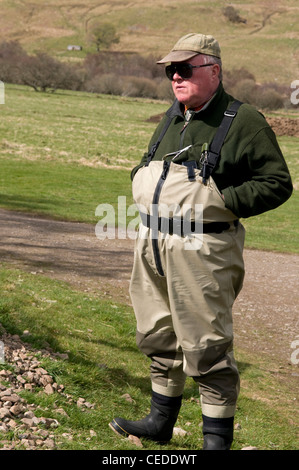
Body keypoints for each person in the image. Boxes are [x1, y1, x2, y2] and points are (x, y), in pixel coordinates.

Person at [109, 33, 293, 450]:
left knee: (207, 348)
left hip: (202, 251)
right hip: (152, 245)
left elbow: (277, 183)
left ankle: (215, 441)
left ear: (214, 70)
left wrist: (224, 200)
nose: (175, 77)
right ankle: (160, 422)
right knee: (157, 335)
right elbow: (146, 163)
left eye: (184, 68)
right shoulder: (173, 116)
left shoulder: (243, 120)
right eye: (170, 71)